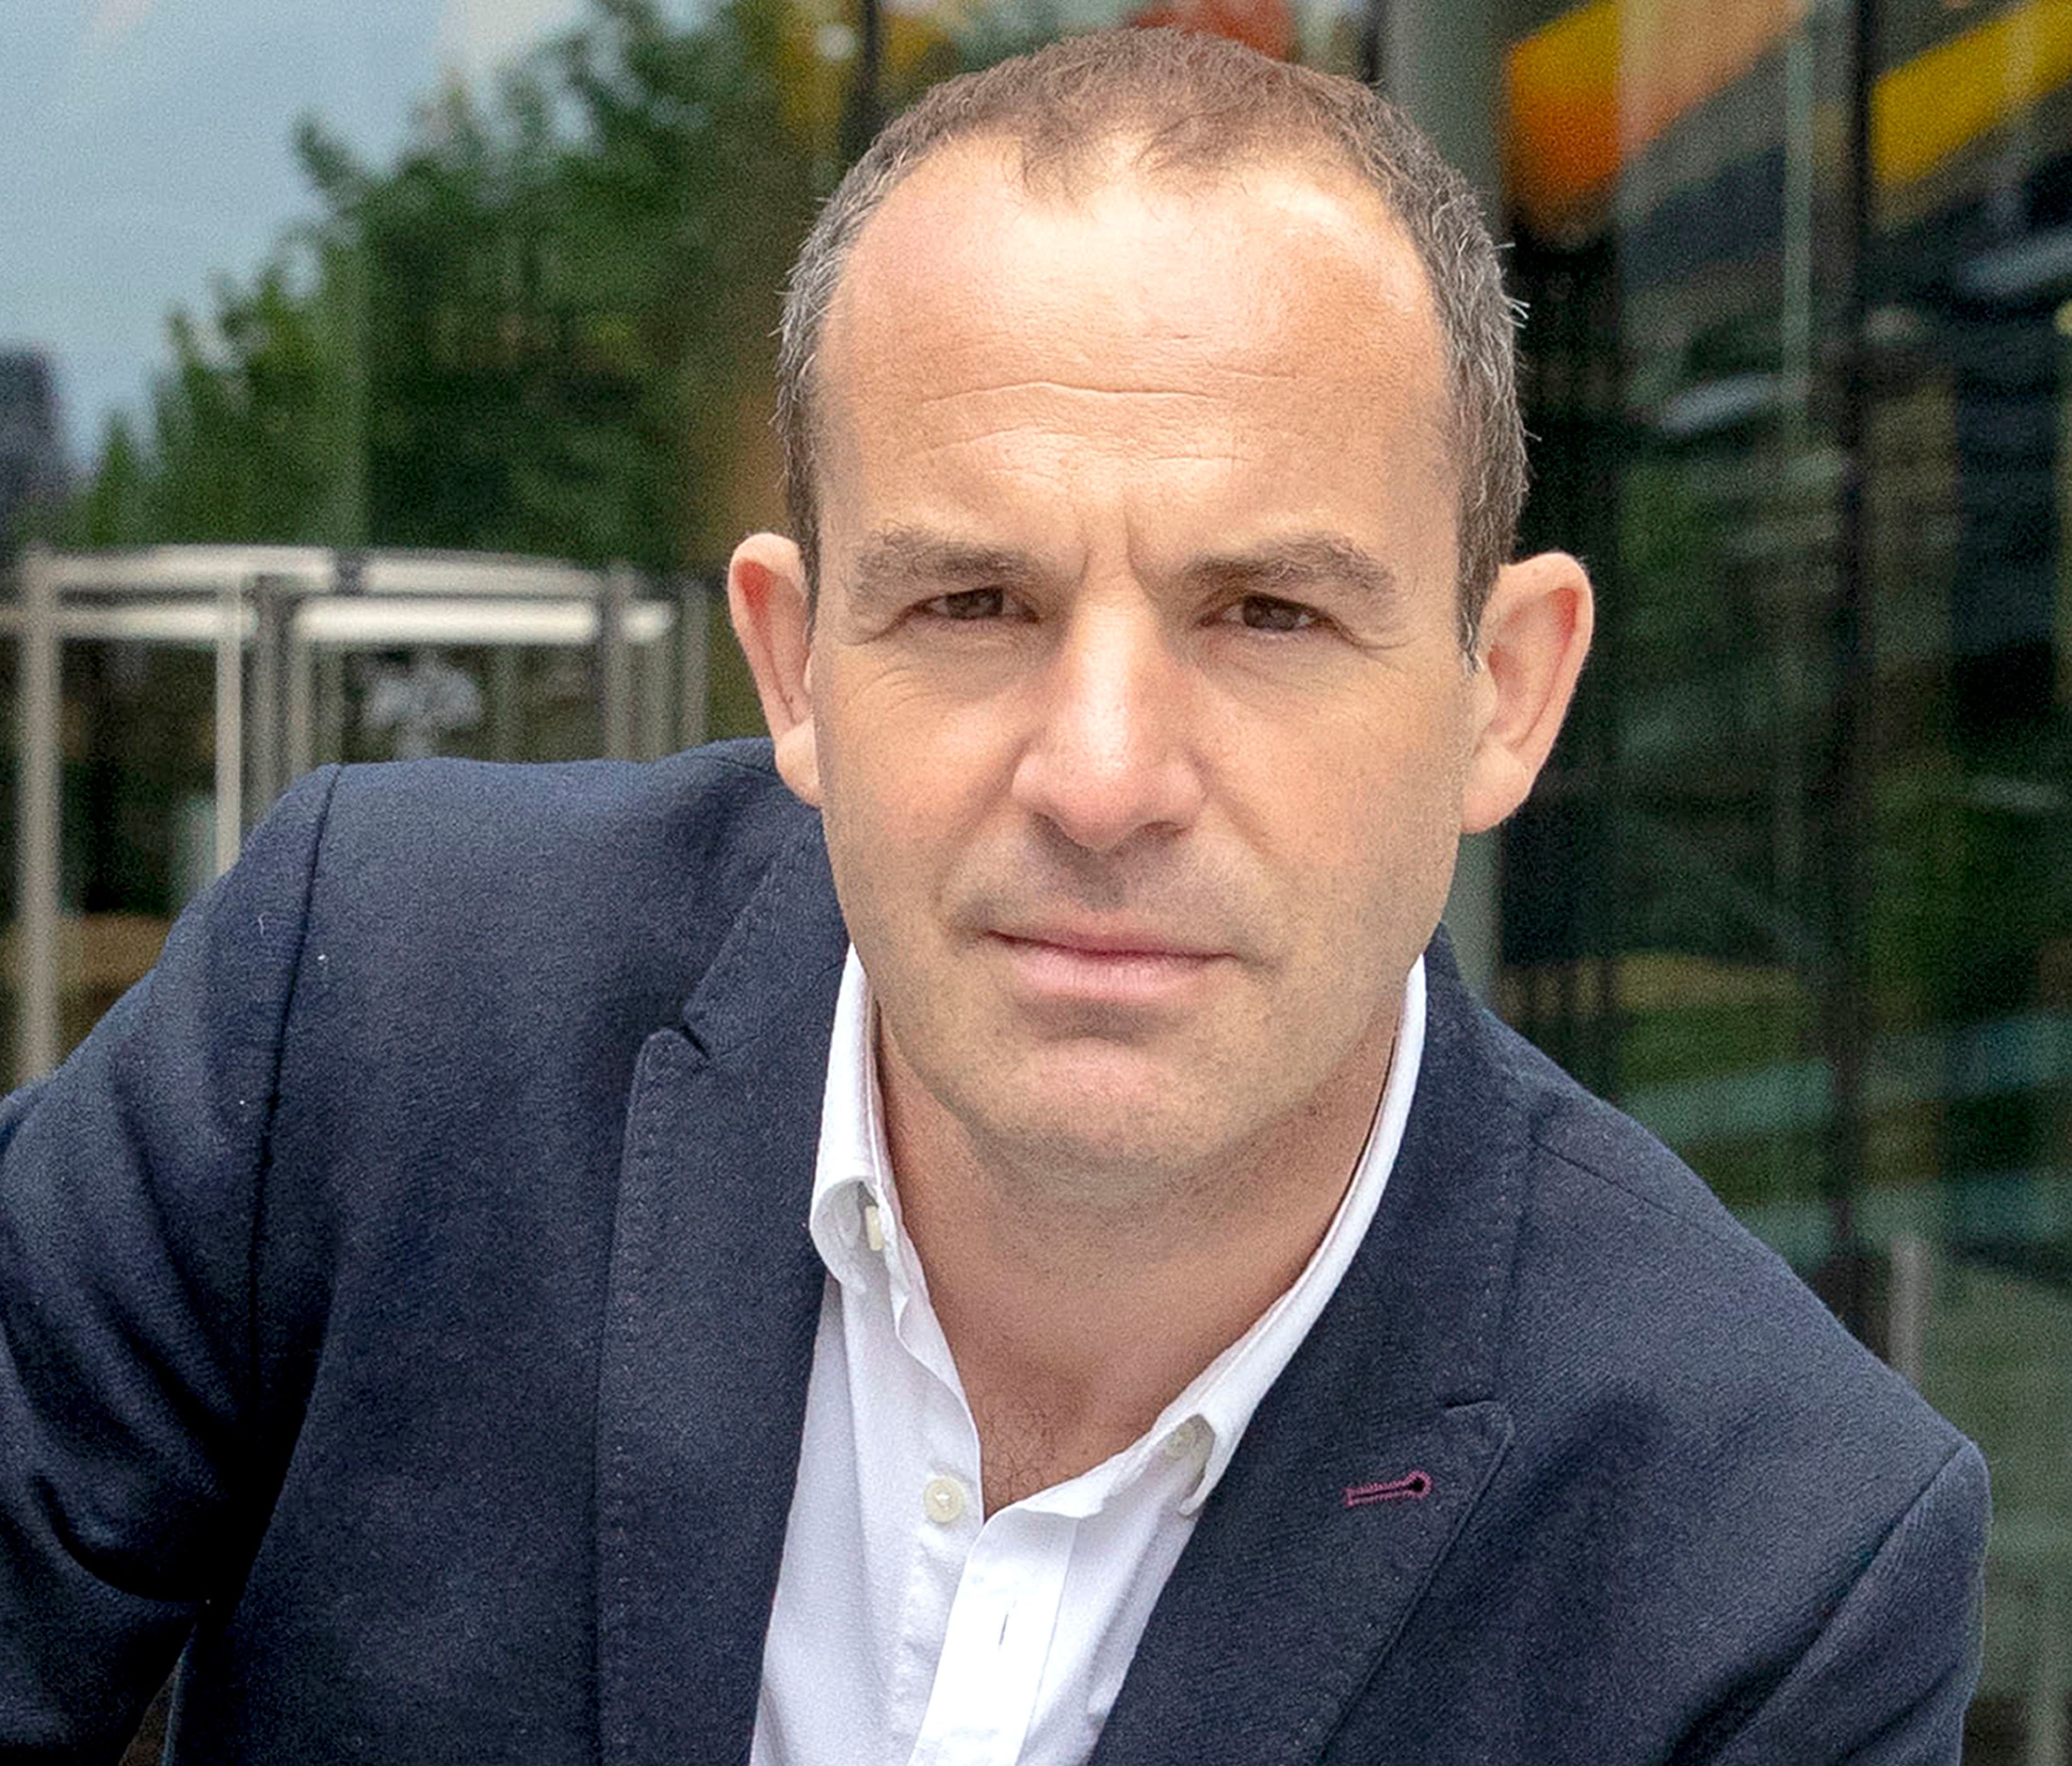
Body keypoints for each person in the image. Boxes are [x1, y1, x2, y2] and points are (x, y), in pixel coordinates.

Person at [1, 28, 1986, 1766]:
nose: (1102, 776)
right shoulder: (364, 1023)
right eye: (970, 603)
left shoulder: (1770, 1560)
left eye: (1269, 611)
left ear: (1502, 696)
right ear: (792, 668)